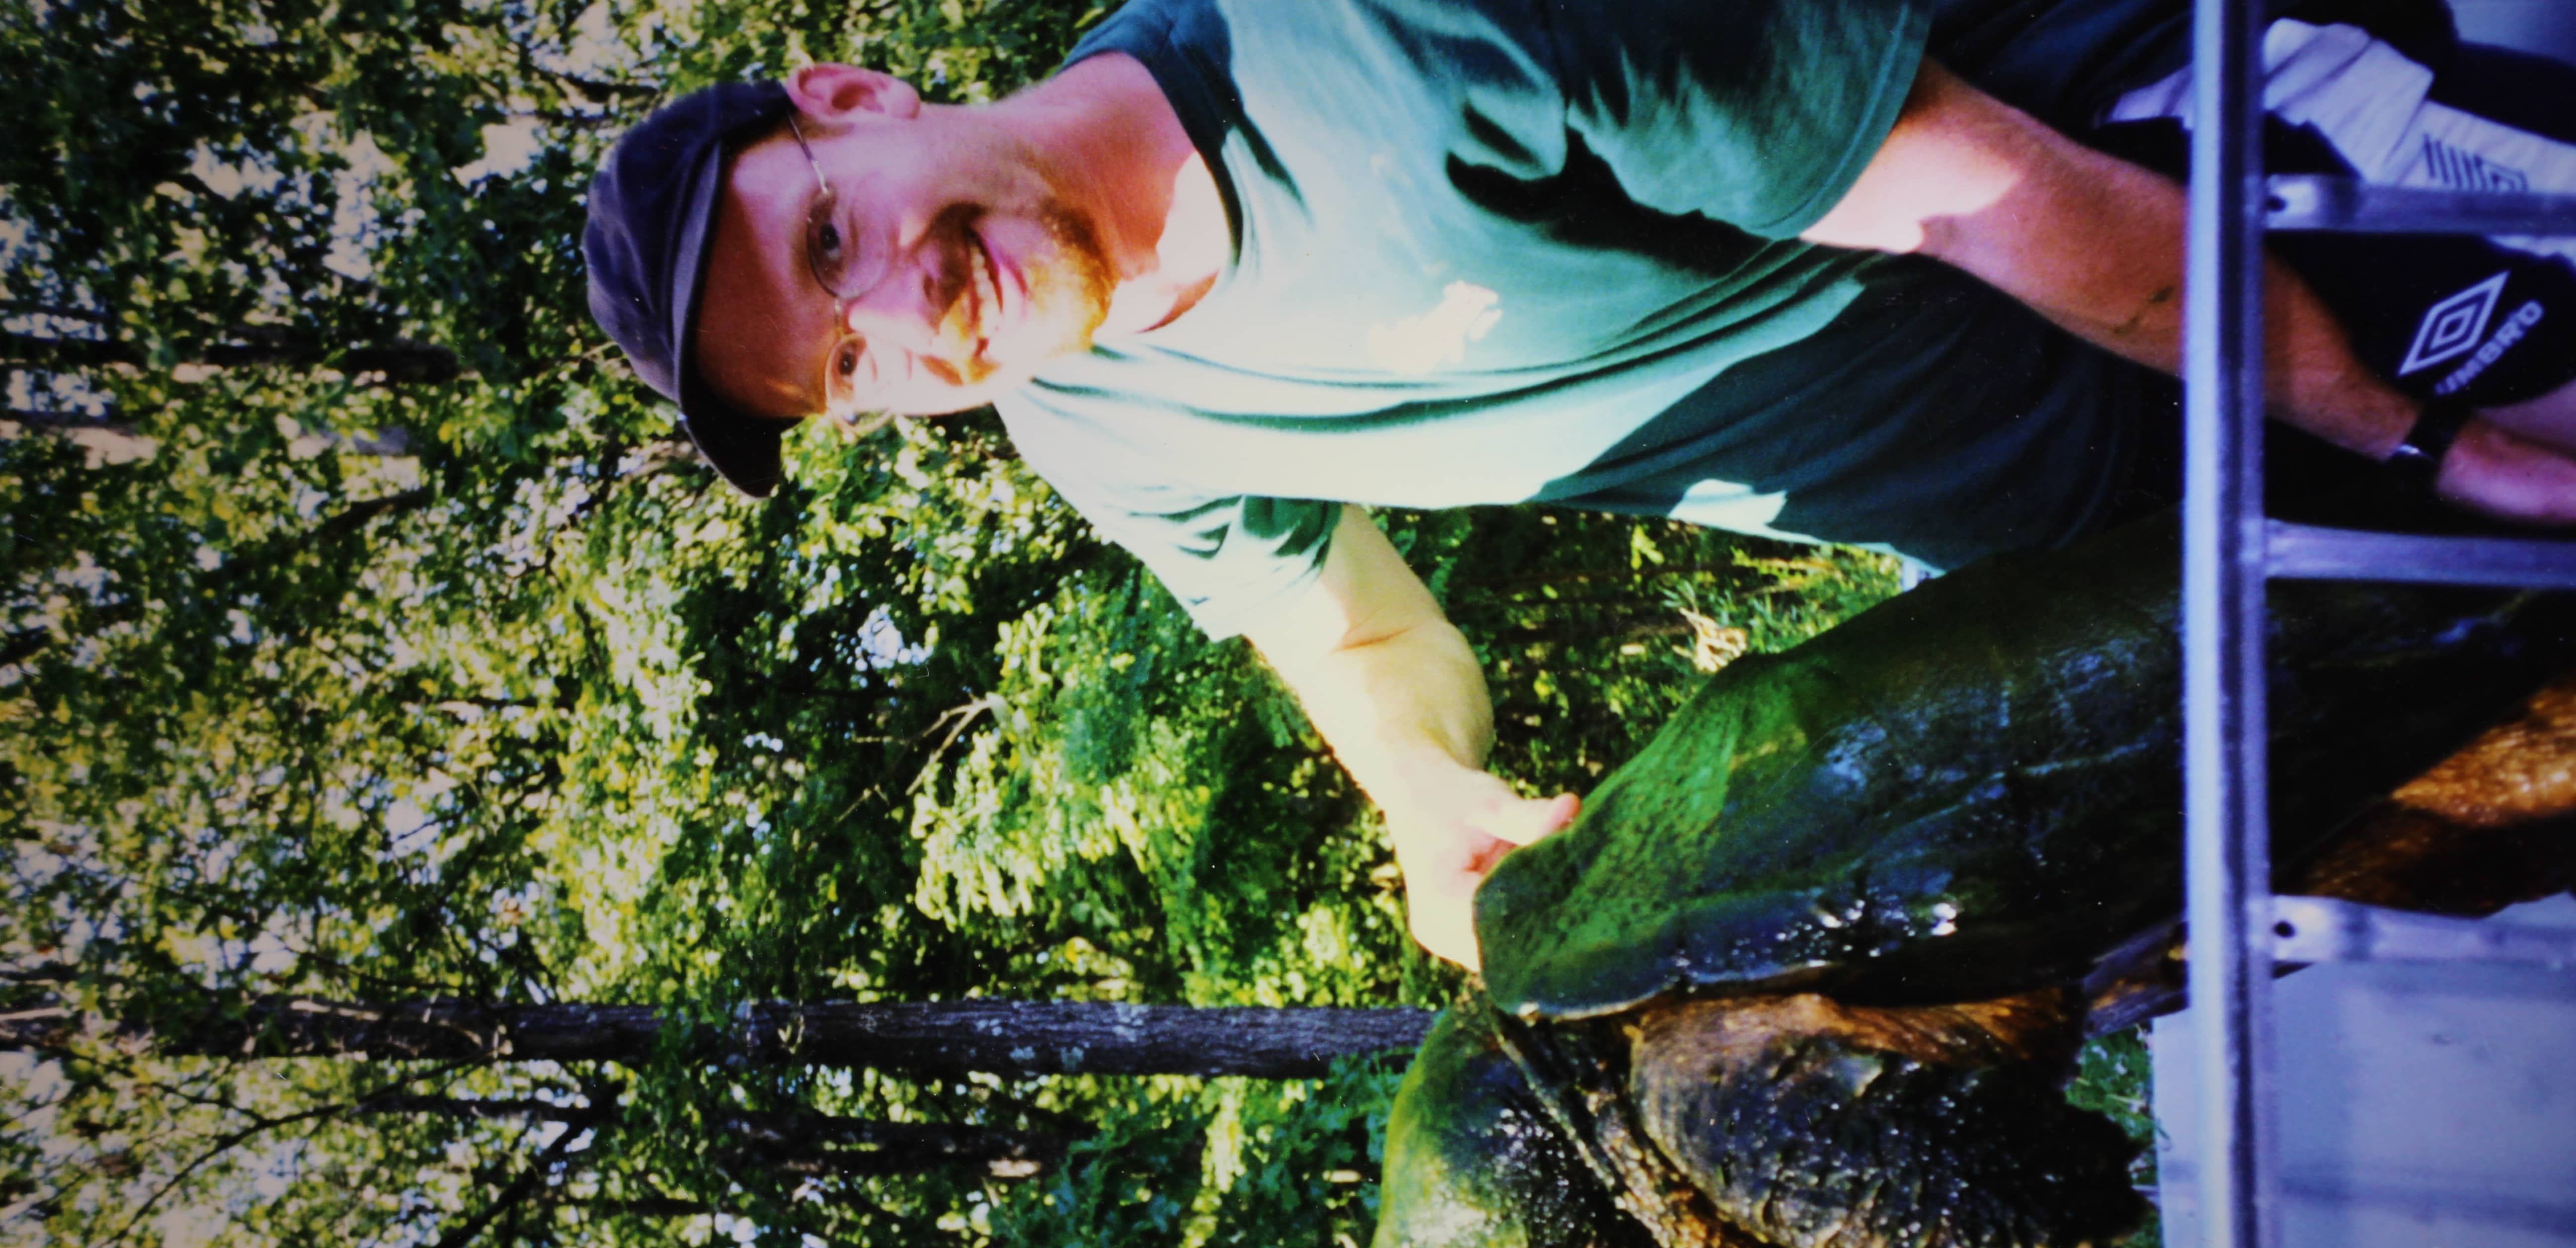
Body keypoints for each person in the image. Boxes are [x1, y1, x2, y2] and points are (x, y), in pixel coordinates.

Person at [582, 0, 2576, 969]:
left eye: (832, 244)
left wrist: (2420, 439)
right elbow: (1346, 623)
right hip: (2094, 542)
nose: (907, 324)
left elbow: (1996, 197)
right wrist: (1433, 807)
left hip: (2225, 182)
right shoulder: (1098, 418)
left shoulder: (1372, 37)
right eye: (846, 371)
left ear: (851, 103)